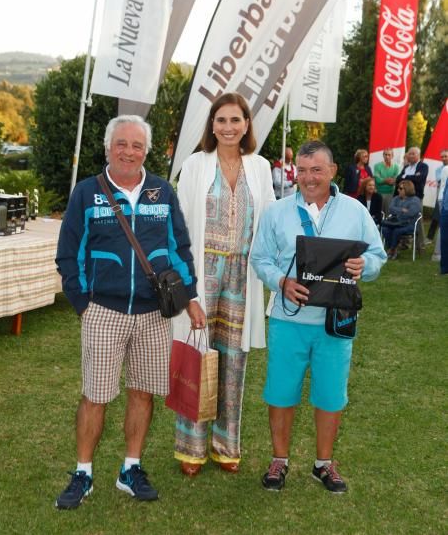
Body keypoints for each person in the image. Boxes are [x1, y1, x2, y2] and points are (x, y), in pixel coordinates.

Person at [55, 115, 206, 510]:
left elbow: (180, 247)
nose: (128, 151)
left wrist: (189, 297)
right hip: (103, 310)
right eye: (121, 143)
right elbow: (68, 253)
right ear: (108, 148)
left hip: (154, 314)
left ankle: (130, 469)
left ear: (146, 151)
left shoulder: (161, 191)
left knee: (143, 393)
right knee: (95, 395)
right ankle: (83, 473)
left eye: (137, 145)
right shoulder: (87, 193)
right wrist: (82, 303)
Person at [250, 141, 386, 494]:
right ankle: (279, 460)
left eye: (317, 170)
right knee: (281, 392)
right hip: (287, 319)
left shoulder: (355, 211)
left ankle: (323, 463)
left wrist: (364, 265)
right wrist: (280, 281)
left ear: (333, 171)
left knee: (330, 395)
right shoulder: (276, 212)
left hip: (335, 322)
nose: (308, 178)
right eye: (302, 170)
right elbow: (260, 258)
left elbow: (376, 256)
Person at [172, 92, 275, 476]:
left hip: (243, 275)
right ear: (211, 125)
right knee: (196, 355)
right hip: (203, 272)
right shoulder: (195, 164)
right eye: (221, 120)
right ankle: (190, 448)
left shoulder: (260, 167)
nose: (228, 127)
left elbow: (269, 224)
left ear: (247, 124)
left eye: (235, 120)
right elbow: (178, 228)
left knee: (234, 359)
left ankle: (226, 445)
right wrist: (186, 286)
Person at [382, 180, 422, 260]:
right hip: (396, 222)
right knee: (385, 229)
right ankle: (392, 249)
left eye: (400, 188)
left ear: (407, 189)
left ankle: (392, 250)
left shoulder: (415, 200)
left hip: (410, 224)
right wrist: (402, 210)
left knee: (397, 231)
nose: (398, 190)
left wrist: (398, 211)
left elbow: (410, 213)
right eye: (398, 188)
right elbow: (390, 209)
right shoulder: (396, 198)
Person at [426, 149, 448, 242]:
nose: (443, 158)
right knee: (436, 216)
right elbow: (440, 181)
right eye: (442, 156)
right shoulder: (439, 169)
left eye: (445, 156)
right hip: (442, 195)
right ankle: (430, 237)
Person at [373, 148, 400, 215]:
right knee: (379, 213)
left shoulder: (396, 166)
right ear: (383, 155)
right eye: (385, 154)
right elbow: (378, 180)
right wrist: (388, 180)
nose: (387, 156)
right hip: (379, 193)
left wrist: (383, 180)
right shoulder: (377, 166)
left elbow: (395, 181)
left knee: (388, 213)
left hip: (390, 194)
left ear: (392, 156)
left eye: (389, 155)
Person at [439, 176, 448, 275]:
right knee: (444, 240)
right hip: (446, 210)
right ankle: (444, 269)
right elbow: (445, 191)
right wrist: (443, 208)